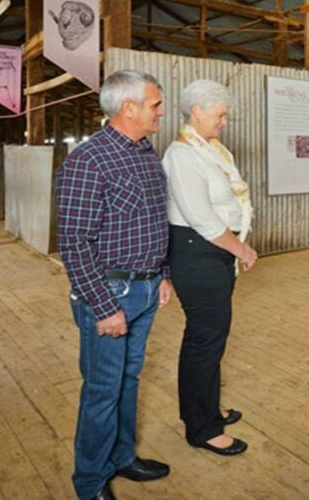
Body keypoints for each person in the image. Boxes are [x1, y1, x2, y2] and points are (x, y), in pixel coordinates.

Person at [56, 70, 174, 500]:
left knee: (128, 379)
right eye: (155, 104)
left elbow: (152, 220)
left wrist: (162, 274)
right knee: (103, 390)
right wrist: (104, 308)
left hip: (144, 288)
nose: (161, 111)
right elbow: (73, 243)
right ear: (129, 108)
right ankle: (90, 482)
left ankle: (121, 456)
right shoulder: (88, 161)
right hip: (109, 294)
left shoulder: (144, 152)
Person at [162, 79, 257, 457]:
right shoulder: (181, 155)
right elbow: (200, 216)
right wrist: (242, 249)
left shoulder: (209, 148)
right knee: (205, 340)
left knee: (213, 337)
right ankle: (201, 427)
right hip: (197, 252)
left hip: (214, 253)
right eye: (220, 114)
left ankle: (208, 406)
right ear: (197, 111)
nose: (224, 122)